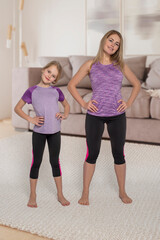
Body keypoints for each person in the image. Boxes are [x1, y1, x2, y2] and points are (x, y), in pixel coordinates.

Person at [68, 30, 141, 205]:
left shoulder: (120, 64)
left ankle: (122, 192)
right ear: (104, 40)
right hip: (95, 115)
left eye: (117, 44)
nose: (113, 45)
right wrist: (84, 104)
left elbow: (137, 84)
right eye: (111, 40)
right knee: (92, 153)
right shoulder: (90, 64)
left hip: (117, 115)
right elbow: (71, 85)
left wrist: (128, 103)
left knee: (119, 154)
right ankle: (85, 193)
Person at [15, 61, 70, 207]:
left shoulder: (56, 91)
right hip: (39, 132)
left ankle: (60, 194)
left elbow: (67, 105)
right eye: (49, 72)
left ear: (55, 80)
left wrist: (64, 115)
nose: (50, 76)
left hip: (55, 132)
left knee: (55, 162)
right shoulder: (32, 91)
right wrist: (30, 119)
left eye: (53, 76)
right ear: (43, 70)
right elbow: (18, 108)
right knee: (36, 162)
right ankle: (33, 194)